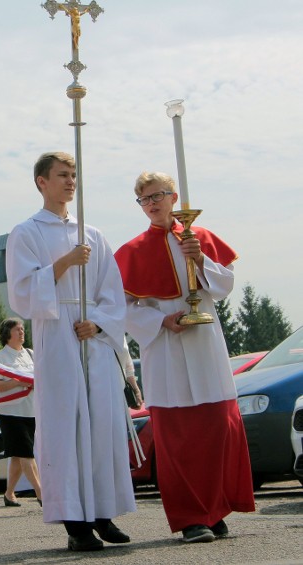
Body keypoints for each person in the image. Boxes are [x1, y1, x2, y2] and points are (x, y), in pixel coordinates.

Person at [5, 153, 136, 552]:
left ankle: (102, 512)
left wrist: (97, 322)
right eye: (62, 175)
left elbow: (113, 295)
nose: (70, 182)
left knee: (101, 424)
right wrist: (63, 262)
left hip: (91, 338)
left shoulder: (93, 235)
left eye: (74, 175)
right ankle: (75, 522)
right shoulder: (26, 233)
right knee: (66, 426)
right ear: (42, 182)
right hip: (56, 335)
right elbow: (23, 295)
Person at [114, 171, 254, 542]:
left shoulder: (200, 237)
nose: (153, 203)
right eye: (145, 199)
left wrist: (201, 259)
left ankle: (215, 509)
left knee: (216, 429)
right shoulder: (130, 252)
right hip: (164, 348)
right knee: (177, 438)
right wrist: (161, 320)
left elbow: (224, 285)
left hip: (205, 342)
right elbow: (122, 307)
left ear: (174, 197)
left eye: (158, 195)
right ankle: (191, 518)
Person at [0, 318, 42, 506]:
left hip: (30, 409)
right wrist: (17, 382)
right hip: (10, 412)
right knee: (26, 453)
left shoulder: (30, 354)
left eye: (22, 329)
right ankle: (41, 493)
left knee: (19, 455)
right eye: (17, 329)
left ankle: (9, 493)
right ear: (7, 334)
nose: (21, 332)